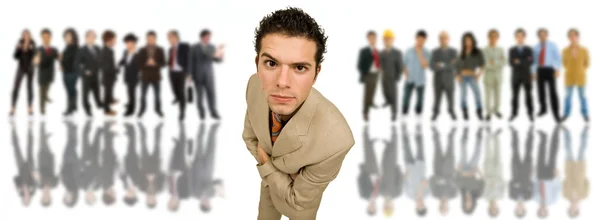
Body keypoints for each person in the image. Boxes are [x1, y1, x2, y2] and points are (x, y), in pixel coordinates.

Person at [242, 8, 354, 220]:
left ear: (315, 74)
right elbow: (250, 136)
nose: (282, 82)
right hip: (270, 185)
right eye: (271, 63)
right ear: (257, 64)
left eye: (300, 67)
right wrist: (281, 175)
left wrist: (267, 165)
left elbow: (298, 206)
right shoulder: (254, 86)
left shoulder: (337, 140)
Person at [189, 29, 224, 120]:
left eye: (209, 37)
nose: (209, 38)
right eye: (207, 37)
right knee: (199, 95)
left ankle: (213, 112)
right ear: (202, 37)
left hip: (209, 75)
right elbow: (190, 62)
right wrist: (190, 75)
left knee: (211, 94)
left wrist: (220, 56)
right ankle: (201, 112)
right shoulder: (194, 47)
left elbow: (216, 60)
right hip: (197, 74)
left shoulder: (211, 47)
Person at [192, 123, 224, 213]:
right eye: (209, 204)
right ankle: (213, 129)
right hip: (209, 167)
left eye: (207, 205)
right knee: (212, 147)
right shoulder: (212, 194)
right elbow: (215, 182)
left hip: (198, 166)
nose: (208, 202)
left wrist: (216, 188)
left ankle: (201, 127)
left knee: (199, 145)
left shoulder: (196, 194)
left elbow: (204, 188)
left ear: (202, 204)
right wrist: (220, 185)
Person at [532, 28, 561, 123]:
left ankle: (556, 114)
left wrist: (557, 69)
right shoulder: (535, 47)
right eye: (540, 35)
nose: (542, 36)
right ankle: (543, 109)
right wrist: (533, 72)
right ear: (538, 36)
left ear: (547, 35)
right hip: (540, 70)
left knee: (553, 92)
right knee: (541, 91)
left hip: (550, 70)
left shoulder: (553, 45)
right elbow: (534, 61)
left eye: (544, 34)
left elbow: (558, 57)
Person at [561, 28, 590, 123]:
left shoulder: (584, 50)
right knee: (567, 96)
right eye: (570, 36)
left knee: (582, 96)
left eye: (574, 35)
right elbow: (564, 63)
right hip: (569, 77)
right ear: (568, 38)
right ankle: (566, 114)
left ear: (578, 37)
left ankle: (585, 114)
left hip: (581, 77)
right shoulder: (565, 50)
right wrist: (571, 70)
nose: (572, 37)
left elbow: (587, 64)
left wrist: (580, 71)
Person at [136, 31, 166, 118]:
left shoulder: (160, 50)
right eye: (149, 38)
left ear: (155, 39)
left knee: (157, 95)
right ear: (146, 39)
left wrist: (155, 63)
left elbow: (164, 63)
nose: (150, 40)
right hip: (145, 76)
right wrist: (146, 63)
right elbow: (138, 64)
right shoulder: (141, 50)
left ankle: (158, 110)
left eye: (152, 38)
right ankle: (142, 110)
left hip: (156, 77)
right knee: (142, 95)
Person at [533, 127, 561, 219]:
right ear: (547, 211)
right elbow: (557, 188)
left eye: (540, 212)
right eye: (544, 213)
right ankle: (556, 133)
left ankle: (543, 137)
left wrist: (534, 173)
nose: (542, 210)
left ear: (538, 210)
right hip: (550, 176)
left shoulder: (535, 199)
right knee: (553, 154)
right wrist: (557, 176)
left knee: (540, 155)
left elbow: (534, 185)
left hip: (540, 175)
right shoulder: (553, 200)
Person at [456, 32, 485, 120]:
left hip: (472, 76)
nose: (468, 42)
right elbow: (456, 66)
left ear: (473, 40)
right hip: (462, 77)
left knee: (477, 93)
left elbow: (482, 65)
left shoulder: (478, 52)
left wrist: (479, 75)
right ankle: (464, 110)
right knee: (463, 94)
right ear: (463, 42)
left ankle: (479, 110)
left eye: (469, 40)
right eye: (466, 41)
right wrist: (457, 76)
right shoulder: (461, 52)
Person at [430, 31, 458, 121]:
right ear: (439, 40)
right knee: (437, 98)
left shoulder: (454, 51)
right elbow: (432, 66)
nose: (443, 40)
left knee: (451, 97)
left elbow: (455, 65)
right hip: (437, 80)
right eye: (441, 38)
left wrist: (441, 65)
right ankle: (435, 112)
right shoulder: (434, 52)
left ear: (448, 39)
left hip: (449, 80)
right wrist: (448, 64)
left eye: (445, 38)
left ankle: (451, 111)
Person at [508, 28, 535, 122]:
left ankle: (530, 113)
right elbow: (511, 63)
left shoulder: (529, 49)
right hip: (515, 76)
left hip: (527, 76)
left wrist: (518, 61)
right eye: (518, 36)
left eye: (521, 36)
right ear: (515, 38)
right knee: (514, 96)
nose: (519, 38)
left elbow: (531, 62)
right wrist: (524, 61)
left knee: (528, 95)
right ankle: (514, 113)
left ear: (524, 37)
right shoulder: (511, 50)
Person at [429, 126, 458, 216]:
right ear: (448, 207)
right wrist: (444, 180)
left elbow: (432, 180)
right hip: (450, 169)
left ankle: (435, 133)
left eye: (442, 208)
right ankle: (451, 135)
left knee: (437, 148)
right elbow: (456, 181)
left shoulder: (434, 194)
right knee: (451, 149)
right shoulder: (454, 195)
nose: (443, 206)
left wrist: (443, 180)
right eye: (445, 208)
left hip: (438, 168)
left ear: (439, 206)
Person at [402, 124, 429, 217]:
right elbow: (425, 181)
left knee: (406, 145)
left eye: (419, 206)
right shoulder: (427, 193)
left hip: (409, 166)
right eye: (422, 206)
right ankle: (418, 126)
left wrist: (405, 174)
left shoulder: (408, 195)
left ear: (416, 207)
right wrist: (420, 193)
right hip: (420, 165)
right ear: (425, 205)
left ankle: (403, 127)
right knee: (419, 144)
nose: (420, 204)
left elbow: (404, 182)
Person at [402, 30, 431, 117]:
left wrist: (419, 53)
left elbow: (425, 66)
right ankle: (404, 114)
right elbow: (403, 64)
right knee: (405, 99)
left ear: (425, 40)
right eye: (419, 39)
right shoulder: (408, 51)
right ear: (416, 38)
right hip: (409, 79)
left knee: (420, 101)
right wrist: (405, 71)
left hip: (420, 80)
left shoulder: (427, 52)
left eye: (423, 40)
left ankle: (418, 117)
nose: (420, 42)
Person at [457, 126, 485, 215]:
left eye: (465, 205)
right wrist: (478, 171)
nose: (467, 203)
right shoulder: (478, 194)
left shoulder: (461, 192)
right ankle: (479, 134)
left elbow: (456, 178)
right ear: (473, 205)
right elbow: (483, 181)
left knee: (463, 151)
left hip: (463, 168)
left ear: (463, 204)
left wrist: (459, 171)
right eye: (469, 206)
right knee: (477, 152)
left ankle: (465, 132)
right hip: (473, 170)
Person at [562, 126, 588, 219]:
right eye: (574, 211)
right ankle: (585, 131)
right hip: (581, 168)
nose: (573, 208)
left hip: (569, 168)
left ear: (568, 208)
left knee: (567, 149)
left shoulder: (565, 195)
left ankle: (566, 132)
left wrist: (569, 176)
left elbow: (563, 183)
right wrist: (582, 175)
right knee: (582, 149)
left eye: (571, 210)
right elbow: (587, 183)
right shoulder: (584, 195)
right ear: (578, 209)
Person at [509, 126, 534, 218]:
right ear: (524, 209)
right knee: (529, 151)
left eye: (518, 210)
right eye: (521, 210)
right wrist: (520, 184)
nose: (519, 208)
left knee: (515, 150)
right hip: (527, 170)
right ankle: (530, 132)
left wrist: (519, 184)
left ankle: (514, 133)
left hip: (515, 170)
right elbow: (531, 184)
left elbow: (510, 183)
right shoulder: (529, 197)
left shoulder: (512, 196)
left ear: (515, 208)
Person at [77, 30, 103, 117]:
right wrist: (84, 71)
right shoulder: (81, 50)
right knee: (85, 94)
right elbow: (77, 64)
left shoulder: (98, 48)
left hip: (96, 75)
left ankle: (99, 105)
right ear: (86, 38)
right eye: (90, 36)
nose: (92, 38)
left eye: (93, 36)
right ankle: (87, 109)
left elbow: (100, 61)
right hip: (86, 76)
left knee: (97, 92)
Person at [10, 29, 36, 116]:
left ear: (30, 36)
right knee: (16, 87)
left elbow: (35, 56)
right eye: (24, 35)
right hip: (20, 68)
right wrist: (19, 49)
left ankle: (30, 107)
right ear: (22, 36)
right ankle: (13, 107)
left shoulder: (33, 43)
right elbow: (15, 57)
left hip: (30, 68)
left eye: (27, 35)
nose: (26, 37)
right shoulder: (20, 43)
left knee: (29, 88)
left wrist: (30, 49)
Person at [379, 30, 404, 121]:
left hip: (392, 77)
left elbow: (400, 66)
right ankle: (387, 101)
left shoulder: (397, 53)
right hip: (384, 77)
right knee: (385, 91)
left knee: (394, 96)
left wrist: (397, 77)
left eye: (389, 39)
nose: (387, 41)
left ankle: (394, 112)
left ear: (392, 40)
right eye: (385, 39)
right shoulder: (381, 53)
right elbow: (380, 64)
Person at [34, 29, 60, 115]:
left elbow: (59, 58)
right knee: (42, 92)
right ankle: (42, 109)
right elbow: (35, 61)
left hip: (51, 73)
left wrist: (62, 63)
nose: (46, 39)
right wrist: (36, 60)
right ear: (41, 38)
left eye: (48, 37)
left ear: (50, 38)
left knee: (48, 87)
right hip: (42, 74)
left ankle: (46, 97)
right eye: (44, 37)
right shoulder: (38, 49)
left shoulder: (54, 49)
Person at [11, 121, 37, 207]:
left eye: (24, 200)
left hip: (21, 168)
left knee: (16, 148)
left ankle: (13, 128)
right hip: (30, 167)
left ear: (22, 199)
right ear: (30, 199)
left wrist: (18, 186)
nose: (26, 197)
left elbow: (15, 178)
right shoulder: (33, 190)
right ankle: (30, 128)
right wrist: (34, 175)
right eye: (28, 200)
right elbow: (36, 179)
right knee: (30, 147)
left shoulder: (19, 192)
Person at [482, 29, 506, 121]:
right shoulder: (484, 50)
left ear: (497, 38)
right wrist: (497, 63)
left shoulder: (501, 49)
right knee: (488, 96)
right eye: (491, 36)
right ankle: (488, 113)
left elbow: (504, 62)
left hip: (498, 77)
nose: (493, 38)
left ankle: (496, 110)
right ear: (488, 38)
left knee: (498, 95)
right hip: (488, 77)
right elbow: (485, 64)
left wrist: (493, 62)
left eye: (495, 36)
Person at [167, 30, 191, 120]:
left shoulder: (184, 46)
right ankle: (176, 97)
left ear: (176, 37)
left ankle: (182, 112)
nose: (169, 39)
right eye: (168, 38)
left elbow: (189, 59)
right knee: (174, 89)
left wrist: (189, 72)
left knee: (181, 91)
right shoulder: (170, 49)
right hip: (172, 72)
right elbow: (170, 60)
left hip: (181, 72)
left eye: (171, 37)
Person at [357, 30, 380, 121]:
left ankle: (371, 103)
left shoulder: (376, 50)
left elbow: (378, 61)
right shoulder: (364, 51)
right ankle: (365, 112)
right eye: (371, 38)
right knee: (367, 94)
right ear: (368, 39)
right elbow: (360, 65)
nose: (372, 39)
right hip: (368, 75)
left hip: (376, 74)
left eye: (374, 38)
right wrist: (365, 72)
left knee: (373, 90)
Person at [357, 126, 380, 216]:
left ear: (368, 207)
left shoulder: (364, 195)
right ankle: (370, 141)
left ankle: (365, 132)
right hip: (376, 172)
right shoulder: (377, 196)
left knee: (368, 152)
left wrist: (364, 173)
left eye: (371, 208)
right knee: (372, 155)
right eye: (374, 208)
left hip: (368, 172)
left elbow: (360, 182)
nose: (372, 206)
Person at [380, 126, 402, 217]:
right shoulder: (397, 193)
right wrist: (397, 169)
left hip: (384, 168)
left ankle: (387, 141)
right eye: (389, 207)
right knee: (394, 149)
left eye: (386, 207)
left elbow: (380, 179)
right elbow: (399, 180)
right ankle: (394, 130)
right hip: (393, 167)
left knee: (385, 154)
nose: (388, 205)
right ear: (393, 206)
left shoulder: (381, 192)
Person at [483, 128, 504, 218]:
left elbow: (485, 184)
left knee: (488, 152)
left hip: (488, 172)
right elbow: (503, 183)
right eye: (495, 209)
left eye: (492, 210)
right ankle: (496, 136)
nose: (493, 207)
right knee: (498, 153)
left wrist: (492, 182)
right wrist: (494, 182)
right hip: (499, 173)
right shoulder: (501, 196)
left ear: (489, 208)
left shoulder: (485, 196)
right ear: (498, 208)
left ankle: (488, 135)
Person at [37, 122, 58, 207]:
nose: (45, 196)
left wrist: (37, 176)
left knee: (42, 142)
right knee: (43, 142)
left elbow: (37, 173)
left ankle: (42, 123)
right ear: (50, 197)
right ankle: (45, 135)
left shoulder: (39, 185)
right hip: (50, 161)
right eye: (47, 198)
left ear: (41, 197)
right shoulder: (54, 185)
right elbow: (58, 175)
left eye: (43, 198)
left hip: (42, 160)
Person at [61, 120, 81, 208]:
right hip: (72, 162)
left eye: (66, 198)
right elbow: (78, 174)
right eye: (69, 199)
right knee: (71, 144)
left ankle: (73, 128)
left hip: (66, 162)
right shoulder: (75, 187)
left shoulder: (66, 186)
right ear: (73, 198)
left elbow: (63, 174)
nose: (67, 197)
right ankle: (71, 127)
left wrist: (61, 168)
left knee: (70, 144)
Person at [119, 34, 140, 117]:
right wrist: (118, 64)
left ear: (134, 44)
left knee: (132, 93)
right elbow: (123, 61)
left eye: (129, 43)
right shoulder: (125, 52)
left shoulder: (138, 53)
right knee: (128, 92)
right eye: (126, 43)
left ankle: (131, 110)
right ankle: (129, 103)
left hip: (134, 77)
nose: (127, 45)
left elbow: (139, 67)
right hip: (127, 76)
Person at [61, 28, 80, 116]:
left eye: (69, 36)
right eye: (66, 36)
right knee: (71, 90)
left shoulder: (75, 47)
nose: (67, 37)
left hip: (72, 72)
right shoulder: (67, 47)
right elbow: (64, 59)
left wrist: (63, 60)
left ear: (73, 37)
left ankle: (70, 109)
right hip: (66, 71)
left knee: (70, 90)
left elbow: (71, 60)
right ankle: (74, 106)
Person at [100, 30, 119, 116]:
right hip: (107, 77)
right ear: (109, 40)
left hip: (110, 77)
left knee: (109, 92)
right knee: (107, 94)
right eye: (114, 40)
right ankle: (107, 110)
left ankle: (110, 100)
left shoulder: (109, 50)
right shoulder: (104, 51)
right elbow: (106, 67)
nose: (115, 41)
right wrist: (116, 70)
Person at [100, 121, 119, 206]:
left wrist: (113, 161)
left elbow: (106, 169)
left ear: (108, 195)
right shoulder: (108, 184)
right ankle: (109, 132)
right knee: (109, 144)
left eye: (113, 195)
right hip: (108, 160)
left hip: (107, 160)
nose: (114, 193)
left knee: (107, 144)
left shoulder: (106, 183)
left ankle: (106, 126)